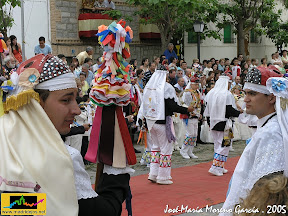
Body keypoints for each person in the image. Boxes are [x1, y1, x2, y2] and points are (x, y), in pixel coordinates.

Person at [0, 54, 131, 216]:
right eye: (66, 100)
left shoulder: (5, 142)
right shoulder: (61, 158)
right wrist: (116, 173)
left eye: (75, 99)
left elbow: (9, 205)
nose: (76, 110)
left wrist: (41, 204)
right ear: (36, 104)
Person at [220, 67, 285, 216]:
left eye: (253, 93)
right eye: (245, 93)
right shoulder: (268, 127)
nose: (246, 99)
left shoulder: (271, 133)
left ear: (271, 98)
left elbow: (268, 189)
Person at [139, 69, 194, 185]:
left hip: (151, 122)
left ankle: (153, 174)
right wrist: (186, 110)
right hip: (163, 122)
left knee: (155, 148)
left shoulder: (150, 87)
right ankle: (163, 176)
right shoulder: (166, 87)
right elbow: (172, 106)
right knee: (165, 148)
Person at [204, 75, 242, 176]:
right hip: (225, 122)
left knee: (217, 145)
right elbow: (229, 110)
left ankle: (220, 166)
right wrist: (239, 112)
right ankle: (215, 167)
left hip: (213, 122)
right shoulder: (227, 94)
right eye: (229, 83)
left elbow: (206, 109)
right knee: (225, 145)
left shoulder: (211, 93)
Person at [179, 76, 202, 159]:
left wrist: (198, 113)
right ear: (191, 84)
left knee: (194, 134)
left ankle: (190, 151)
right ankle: (183, 150)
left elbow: (199, 104)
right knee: (190, 134)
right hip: (188, 115)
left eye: (197, 84)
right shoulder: (187, 93)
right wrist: (189, 111)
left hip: (195, 114)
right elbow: (183, 103)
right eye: (195, 84)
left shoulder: (197, 92)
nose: (197, 86)